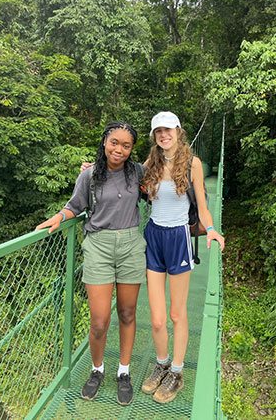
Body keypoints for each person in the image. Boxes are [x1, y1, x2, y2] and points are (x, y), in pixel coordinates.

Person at [35, 122, 147, 406]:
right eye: (114, 143)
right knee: (98, 320)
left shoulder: (137, 173)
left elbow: (162, 182)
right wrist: (59, 217)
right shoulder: (89, 176)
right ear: (104, 142)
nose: (119, 150)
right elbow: (75, 206)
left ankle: (124, 372)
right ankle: (98, 369)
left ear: (132, 149)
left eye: (126, 145)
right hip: (97, 246)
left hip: (131, 244)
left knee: (127, 312)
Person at [140, 111, 225, 404]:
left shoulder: (193, 163)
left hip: (178, 238)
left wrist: (211, 228)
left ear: (178, 131)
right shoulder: (149, 164)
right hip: (153, 236)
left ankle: (176, 372)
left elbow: (201, 205)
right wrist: (92, 168)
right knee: (157, 318)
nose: (164, 135)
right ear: (155, 136)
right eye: (158, 131)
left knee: (177, 314)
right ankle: (161, 364)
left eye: (168, 130)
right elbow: (122, 175)